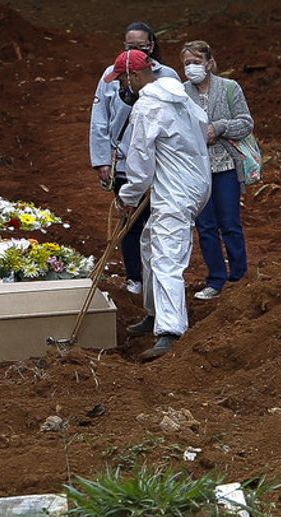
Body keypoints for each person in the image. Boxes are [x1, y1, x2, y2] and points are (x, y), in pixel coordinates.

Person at [112, 50, 212, 358]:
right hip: (195, 183)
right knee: (149, 240)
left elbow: (141, 168)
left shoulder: (147, 106)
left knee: (168, 256)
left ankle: (170, 331)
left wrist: (125, 197)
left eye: (121, 79)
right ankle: (154, 312)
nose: (121, 86)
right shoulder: (180, 95)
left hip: (176, 191)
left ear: (135, 77)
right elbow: (201, 127)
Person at [87, 22, 179, 297]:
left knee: (158, 221)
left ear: (152, 46)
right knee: (129, 220)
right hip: (125, 160)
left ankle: (158, 282)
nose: (136, 51)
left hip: (160, 162)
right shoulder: (109, 77)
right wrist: (101, 160)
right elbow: (99, 120)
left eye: (141, 46)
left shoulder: (168, 77)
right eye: (130, 46)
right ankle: (134, 276)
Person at [181, 41, 253, 301]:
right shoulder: (181, 93)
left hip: (224, 167)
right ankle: (216, 279)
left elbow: (246, 122)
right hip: (196, 171)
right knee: (206, 226)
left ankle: (239, 277)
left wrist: (218, 127)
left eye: (196, 62)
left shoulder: (230, 88)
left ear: (209, 63)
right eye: (187, 63)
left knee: (230, 223)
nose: (192, 67)